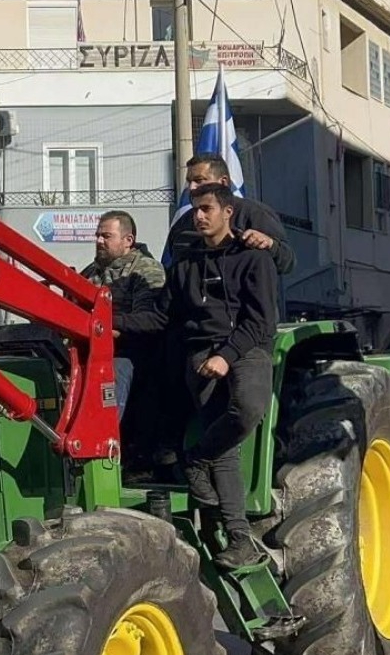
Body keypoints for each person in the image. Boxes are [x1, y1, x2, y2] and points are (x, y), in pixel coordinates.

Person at [115, 183, 278, 570]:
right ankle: (238, 538)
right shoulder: (184, 265)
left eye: (206, 208)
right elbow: (160, 317)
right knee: (226, 450)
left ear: (227, 213)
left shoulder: (253, 259)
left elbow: (262, 321)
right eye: (194, 210)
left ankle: (195, 458)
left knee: (248, 409)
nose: (199, 216)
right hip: (201, 354)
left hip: (248, 348)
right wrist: (110, 322)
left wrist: (227, 355)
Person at [80, 210, 165, 419]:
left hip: (130, 352)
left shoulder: (145, 270)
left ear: (128, 240)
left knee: (112, 374)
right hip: (90, 345)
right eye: (98, 236)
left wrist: (107, 329)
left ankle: (104, 438)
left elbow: (147, 320)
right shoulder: (90, 272)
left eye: (106, 236)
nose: (99, 241)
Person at [164, 153, 296, 276]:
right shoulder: (183, 223)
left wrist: (270, 244)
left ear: (223, 182)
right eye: (189, 181)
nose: (192, 187)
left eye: (199, 180)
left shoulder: (253, 213)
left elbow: (287, 262)